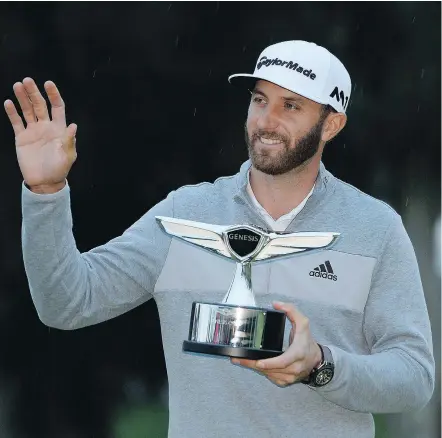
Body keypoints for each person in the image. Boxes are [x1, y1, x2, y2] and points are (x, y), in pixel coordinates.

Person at [4, 40, 435, 438]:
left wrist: (320, 366)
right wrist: (46, 194)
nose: (267, 121)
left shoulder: (376, 228)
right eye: (259, 100)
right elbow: (66, 303)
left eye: (291, 106)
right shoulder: (183, 214)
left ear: (331, 125)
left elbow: (414, 378)